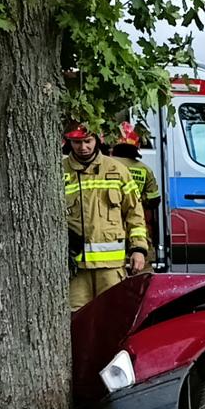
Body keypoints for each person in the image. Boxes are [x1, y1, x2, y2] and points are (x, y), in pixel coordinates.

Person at [64, 123, 149, 309]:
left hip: (111, 268)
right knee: (76, 322)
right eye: (77, 142)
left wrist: (139, 249)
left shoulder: (117, 170)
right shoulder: (59, 171)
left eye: (88, 141)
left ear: (97, 139)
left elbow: (135, 213)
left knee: (112, 318)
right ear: (69, 141)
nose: (83, 147)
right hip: (76, 270)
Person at [111, 124, 162, 261]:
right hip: (137, 225)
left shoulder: (106, 165)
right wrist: (138, 199)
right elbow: (154, 200)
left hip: (110, 227)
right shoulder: (145, 169)